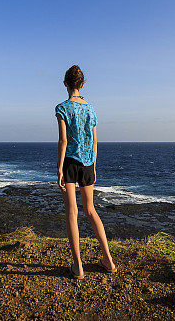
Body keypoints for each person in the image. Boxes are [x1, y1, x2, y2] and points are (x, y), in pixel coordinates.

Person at [55, 64, 117, 279]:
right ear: (82, 84)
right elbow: (95, 140)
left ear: (65, 84)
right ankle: (108, 260)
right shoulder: (91, 109)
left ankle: (78, 266)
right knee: (91, 210)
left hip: (70, 162)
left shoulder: (62, 108)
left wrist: (59, 168)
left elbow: (63, 141)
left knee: (72, 212)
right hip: (88, 163)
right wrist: (94, 165)